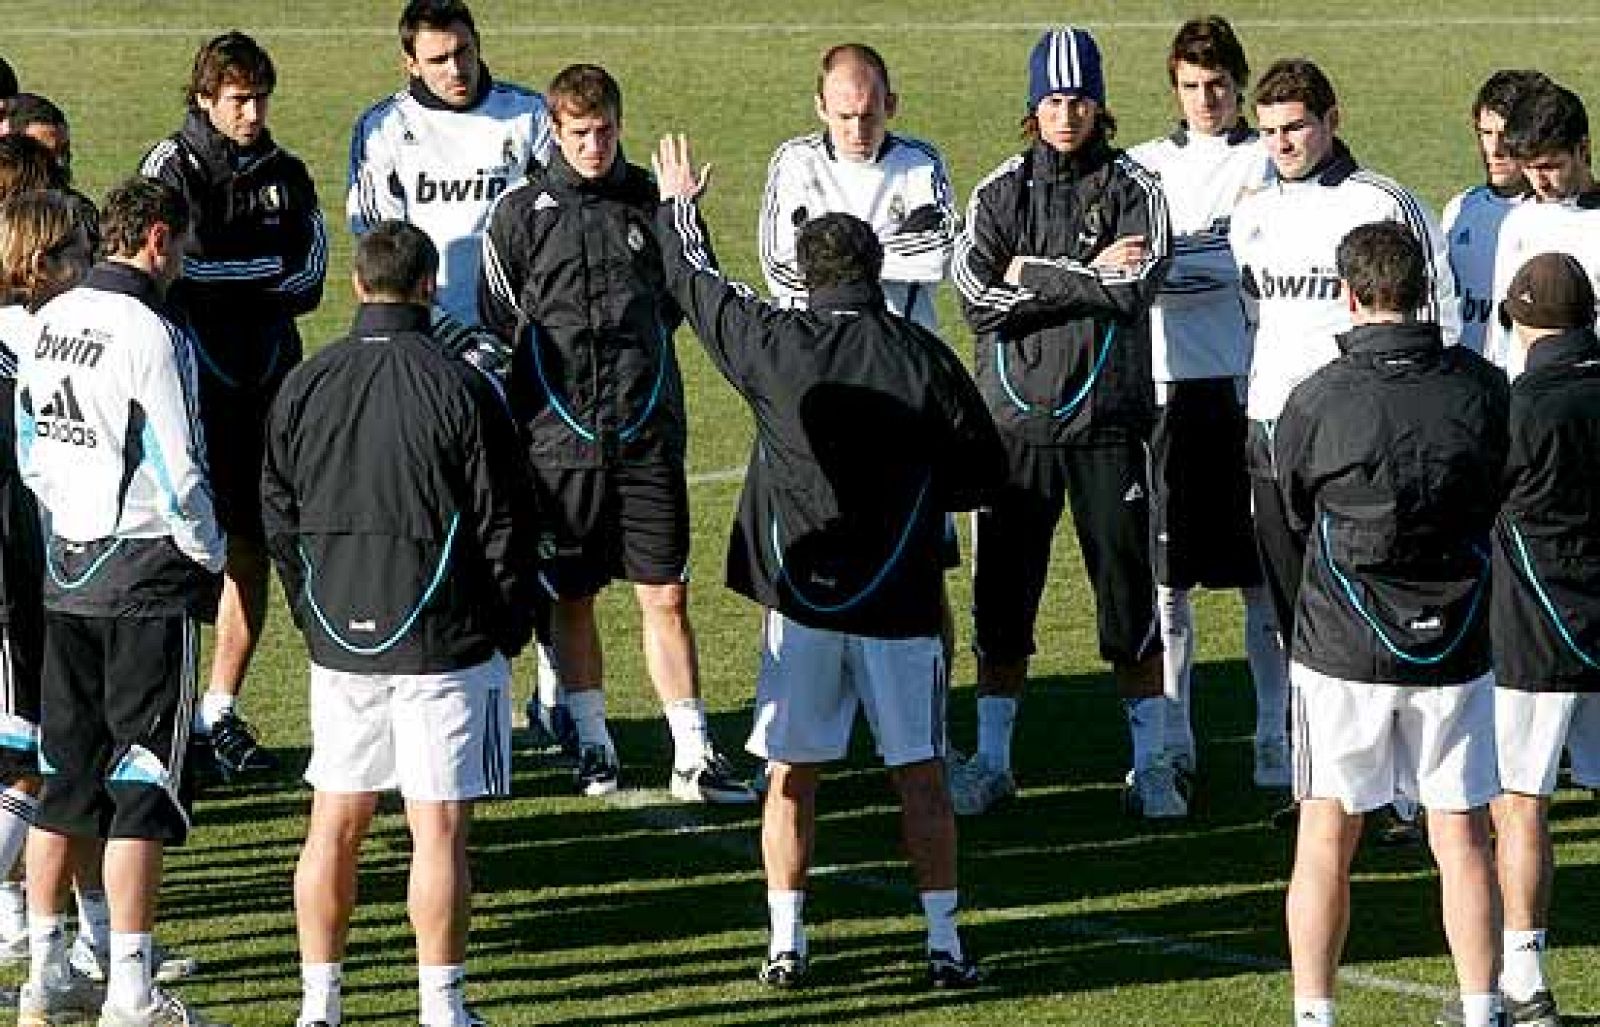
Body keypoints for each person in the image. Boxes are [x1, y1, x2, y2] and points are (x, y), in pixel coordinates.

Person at [653, 131, 1001, 989]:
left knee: (790, 772)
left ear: (804, 274)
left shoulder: (774, 344)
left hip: (802, 603)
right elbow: (982, 474)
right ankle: (944, 942)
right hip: (903, 605)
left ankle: (787, 941)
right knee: (919, 773)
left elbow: (697, 290)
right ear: (876, 268)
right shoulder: (922, 356)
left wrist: (678, 208)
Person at [263, 220, 538, 1027]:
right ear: (427, 287)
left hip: (341, 642)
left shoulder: (307, 381)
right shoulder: (462, 384)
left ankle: (319, 1005)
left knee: (334, 821)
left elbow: (277, 512)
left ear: (357, 284)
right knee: (440, 828)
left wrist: (310, 606)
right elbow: (505, 523)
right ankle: (441, 1009)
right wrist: (511, 622)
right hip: (446, 640)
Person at [479, 64, 755, 803]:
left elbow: (687, 297)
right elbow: (501, 322)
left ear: (620, 125)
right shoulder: (519, 216)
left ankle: (693, 751)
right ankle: (594, 743)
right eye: (578, 133)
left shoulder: (650, 203)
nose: (593, 145)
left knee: (665, 594)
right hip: (557, 446)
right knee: (572, 596)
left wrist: (683, 215)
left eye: (604, 130)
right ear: (554, 130)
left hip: (646, 437)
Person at [1274, 222, 1507, 1027]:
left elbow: (1292, 507)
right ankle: (1483, 1009)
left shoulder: (1317, 395)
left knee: (1325, 837)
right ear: (1425, 289)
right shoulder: (1482, 387)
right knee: (1464, 836)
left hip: (1342, 649)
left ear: (1349, 293)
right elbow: (1499, 495)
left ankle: (1316, 1014)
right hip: (1456, 644)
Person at [948, 26, 1177, 818]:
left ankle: (1150, 765)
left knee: (1127, 603)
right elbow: (977, 300)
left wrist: (1031, 275)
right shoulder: (998, 191)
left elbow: (1137, 285)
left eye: (1080, 99)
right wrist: (1084, 274)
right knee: (1002, 604)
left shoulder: (1136, 187)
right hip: (1012, 435)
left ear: (1101, 104)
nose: (1067, 113)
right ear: (1032, 105)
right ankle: (992, 760)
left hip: (1111, 427)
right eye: (1053, 99)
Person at [15, 175, 224, 1027]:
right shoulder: (154, 332)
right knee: (141, 781)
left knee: (64, 777)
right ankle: (132, 992)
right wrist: (209, 557)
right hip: (142, 579)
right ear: (158, 240)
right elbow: (182, 472)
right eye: (185, 247)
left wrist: (67, 515)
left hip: (64, 569)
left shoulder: (50, 318)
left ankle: (45, 973)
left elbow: (28, 442)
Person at [1229, 58, 1458, 801]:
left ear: (1333, 119)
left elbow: (1441, 315)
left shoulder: (1384, 202)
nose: (1282, 142)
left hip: (1368, 445)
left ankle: (1406, 789)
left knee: (1379, 602)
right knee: (1297, 617)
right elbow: (1255, 318)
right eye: (1267, 130)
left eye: (1295, 126)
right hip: (1272, 436)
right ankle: (1318, 784)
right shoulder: (1252, 209)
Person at [140, 30, 327, 780]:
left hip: (274, 390)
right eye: (238, 99)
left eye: (260, 98)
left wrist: (226, 277)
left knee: (257, 546)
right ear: (204, 98)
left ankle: (219, 709)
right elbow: (170, 273)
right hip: (189, 392)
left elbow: (309, 277)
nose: (252, 113)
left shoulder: (288, 172)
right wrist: (253, 276)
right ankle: (170, 717)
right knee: (183, 548)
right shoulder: (169, 167)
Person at [1126, 16, 1281, 790]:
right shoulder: (1143, 165)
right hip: (1164, 390)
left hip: (1247, 389)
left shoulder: (1266, 156)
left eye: (1218, 84)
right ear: (1174, 87)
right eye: (1191, 86)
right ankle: (1177, 733)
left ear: (1238, 83)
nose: (1206, 98)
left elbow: (1242, 258)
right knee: (1168, 582)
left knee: (1263, 578)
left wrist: (1178, 255)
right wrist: (1207, 249)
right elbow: (1142, 268)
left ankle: (1271, 734)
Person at [1486, 252, 1599, 1027]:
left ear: (1520, 322)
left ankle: (1524, 979)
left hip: (1536, 630)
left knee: (1521, 800)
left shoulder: (1517, 406)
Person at [347, 0, 551, 324]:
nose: (455, 70)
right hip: (428, 331)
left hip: (520, 325)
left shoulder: (530, 114)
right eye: (438, 60)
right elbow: (382, 248)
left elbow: (556, 222)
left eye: (462, 52)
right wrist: (441, 325)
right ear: (411, 64)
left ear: (478, 44)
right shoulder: (382, 128)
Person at [1483, 81, 1600, 377]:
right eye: (1529, 167)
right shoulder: (1518, 222)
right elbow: (1500, 330)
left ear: (1583, 149)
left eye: (1550, 166)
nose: (1539, 182)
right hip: (1527, 399)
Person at [1443, 71, 1549, 354]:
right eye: (1485, 133)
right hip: (1470, 386)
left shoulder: (1557, 218)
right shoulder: (1460, 209)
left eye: (1505, 136)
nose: (1494, 149)